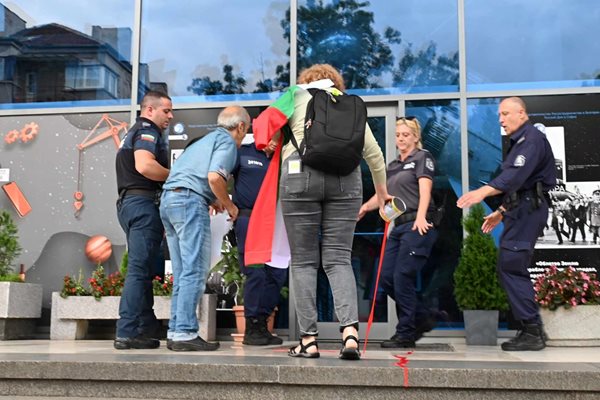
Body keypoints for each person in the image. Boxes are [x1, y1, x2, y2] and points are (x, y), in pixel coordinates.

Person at [274, 64, 391, 360]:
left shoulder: (292, 95)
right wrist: (381, 192)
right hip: (346, 180)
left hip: (300, 176)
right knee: (339, 258)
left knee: (303, 262)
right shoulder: (346, 103)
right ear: (336, 82)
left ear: (304, 81)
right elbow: (374, 154)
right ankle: (350, 334)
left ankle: (308, 340)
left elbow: (266, 132)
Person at [457, 97, 556, 351]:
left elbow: (514, 177)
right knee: (510, 266)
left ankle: (532, 331)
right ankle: (529, 329)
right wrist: (500, 211)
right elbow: (521, 187)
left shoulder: (530, 140)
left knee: (511, 266)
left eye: (505, 113)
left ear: (521, 113)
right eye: (499, 115)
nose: (500, 119)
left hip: (528, 211)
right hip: (521, 209)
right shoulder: (520, 142)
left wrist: (482, 192)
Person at [159, 106, 247, 351]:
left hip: (169, 201)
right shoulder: (227, 143)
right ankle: (186, 333)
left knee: (182, 272)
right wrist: (229, 205)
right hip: (188, 202)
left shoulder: (204, 140)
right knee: (195, 271)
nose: (243, 137)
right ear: (240, 127)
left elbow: (190, 176)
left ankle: (176, 331)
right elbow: (214, 178)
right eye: (245, 131)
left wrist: (213, 200)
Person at [358, 116, 439, 348]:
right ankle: (422, 315)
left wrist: (422, 216)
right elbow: (382, 196)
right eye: (398, 135)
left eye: (406, 135)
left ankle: (405, 333)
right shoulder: (393, 166)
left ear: (415, 137)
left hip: (417, 224)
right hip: (399, 225)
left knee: (403, 275)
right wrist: (364, 207)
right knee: (386, 278)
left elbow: (425, 190)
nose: (401, 139)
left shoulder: (422, 158)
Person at [114, 91, 172, 350]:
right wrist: (176, 176)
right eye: (166, 111)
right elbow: (145, 166)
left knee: (146, 269)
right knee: (139, 270)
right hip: (142, 204)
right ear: (149, 110)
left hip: (131, 204)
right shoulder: (148, 130)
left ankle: (144, 329)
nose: (170, 116)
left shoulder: (133, 131)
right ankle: (126, 331)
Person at [231, 135, 288, 346]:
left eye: (278, 137)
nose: (274, 141)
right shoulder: (243, 152)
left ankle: (262, 324)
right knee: (255, 272)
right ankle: (252, 327)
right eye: (270, 136)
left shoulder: (283, 158)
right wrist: (222, 203)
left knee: (277, 273)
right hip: (249, 219)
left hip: (276, 222)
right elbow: (219, 176)